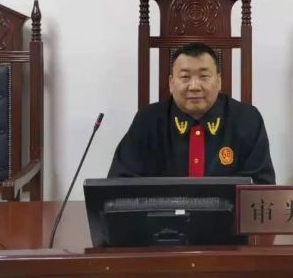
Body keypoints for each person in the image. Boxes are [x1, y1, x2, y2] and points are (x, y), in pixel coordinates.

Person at [108, 42, 275, 184]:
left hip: (228, 215)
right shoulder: (147, 121)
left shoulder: (247, 120)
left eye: (204, 76)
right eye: (185, 77)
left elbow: (261, 188)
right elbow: (120, 184)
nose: (194, 86)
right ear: (171, 83)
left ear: (219, 81)